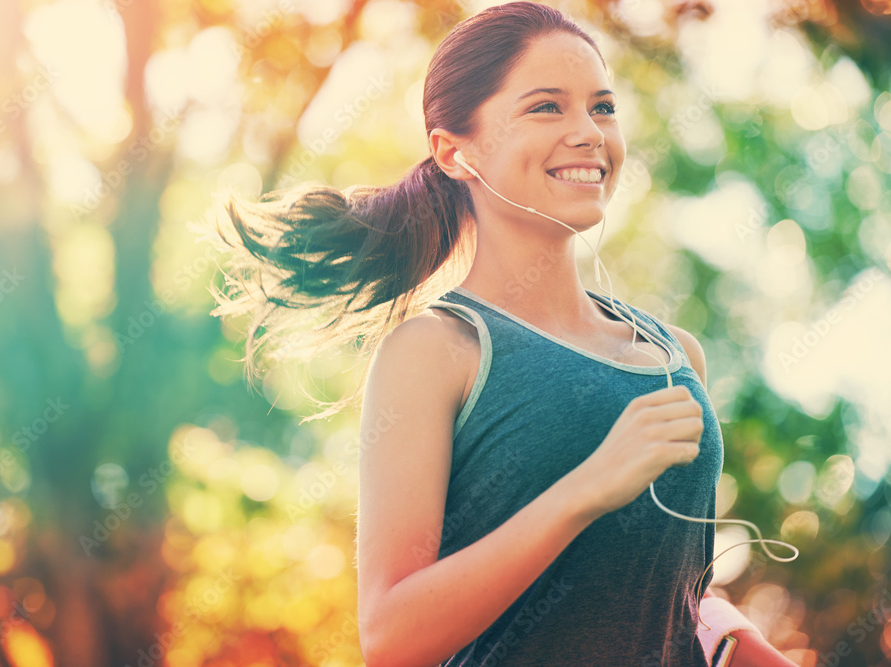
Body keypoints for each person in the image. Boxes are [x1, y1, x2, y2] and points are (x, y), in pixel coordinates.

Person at [209, 3, 799, 665]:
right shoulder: (437, 350)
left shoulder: (673, 355)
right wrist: (587, 487)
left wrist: (738, 641)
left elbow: (663, 594)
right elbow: (390, 636)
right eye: (547, 107)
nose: (588, 133)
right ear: (454, 152)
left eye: (602, 108)